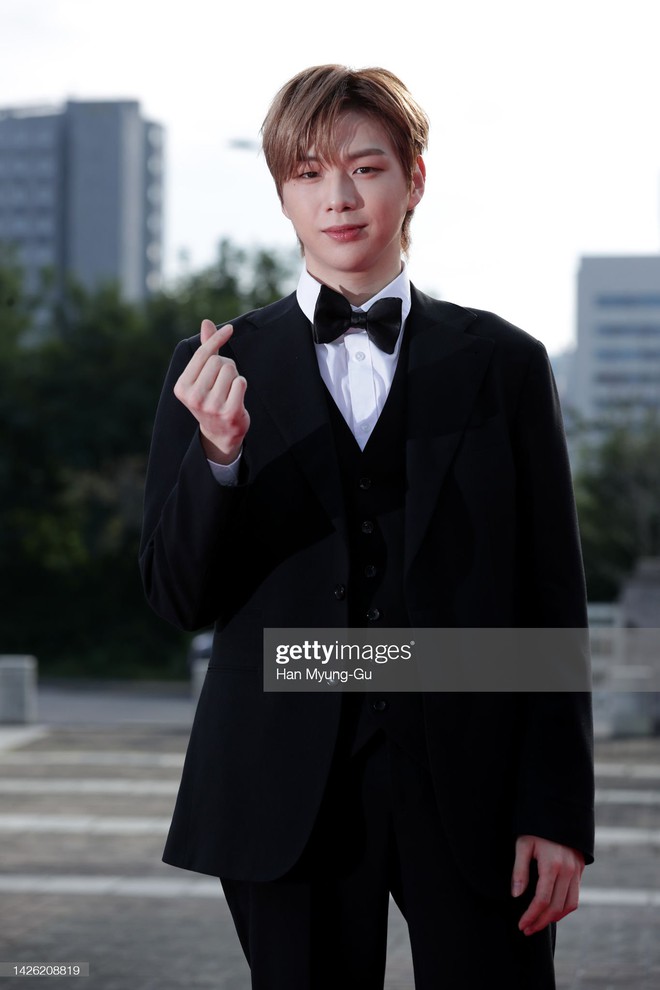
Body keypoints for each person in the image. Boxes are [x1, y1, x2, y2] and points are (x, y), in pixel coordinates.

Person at [139, 65, 594, 990]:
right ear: (281, 194)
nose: (338, 197)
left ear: (413, 179)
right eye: (307, 173)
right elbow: (175, 595)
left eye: (365, 167)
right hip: (282, 785)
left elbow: (552, 595)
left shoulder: (505, 363)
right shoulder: (215, 365)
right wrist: (218, 458)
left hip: (475, 785)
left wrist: (558, 807)